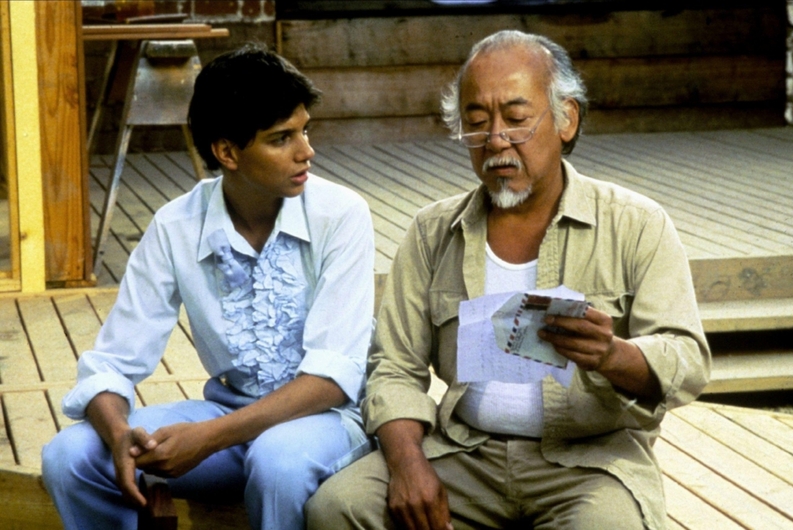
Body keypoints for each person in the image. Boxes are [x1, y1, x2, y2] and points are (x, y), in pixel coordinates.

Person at [306, 30, 710, 530]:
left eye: (517, 119)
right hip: (463, 452)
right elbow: (394, 367)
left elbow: (688, 360)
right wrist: (409, 466)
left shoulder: (636, 223)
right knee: (337, 507)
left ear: (567, 119)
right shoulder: (433, 232)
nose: (496, 139)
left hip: (588, 463)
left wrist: (614, 356)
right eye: (477, 123)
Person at [41, 43, 375, 530]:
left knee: (279, 462)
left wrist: (208, 437)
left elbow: (332, 379)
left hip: (328, 425)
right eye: (282, 138)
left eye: (305, 130)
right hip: (226, 421)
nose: (307, 151)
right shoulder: (176, 225)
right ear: (227, 152)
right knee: (69, 455)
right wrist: (118, 437)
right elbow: (112, 363)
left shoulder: (342, 215)